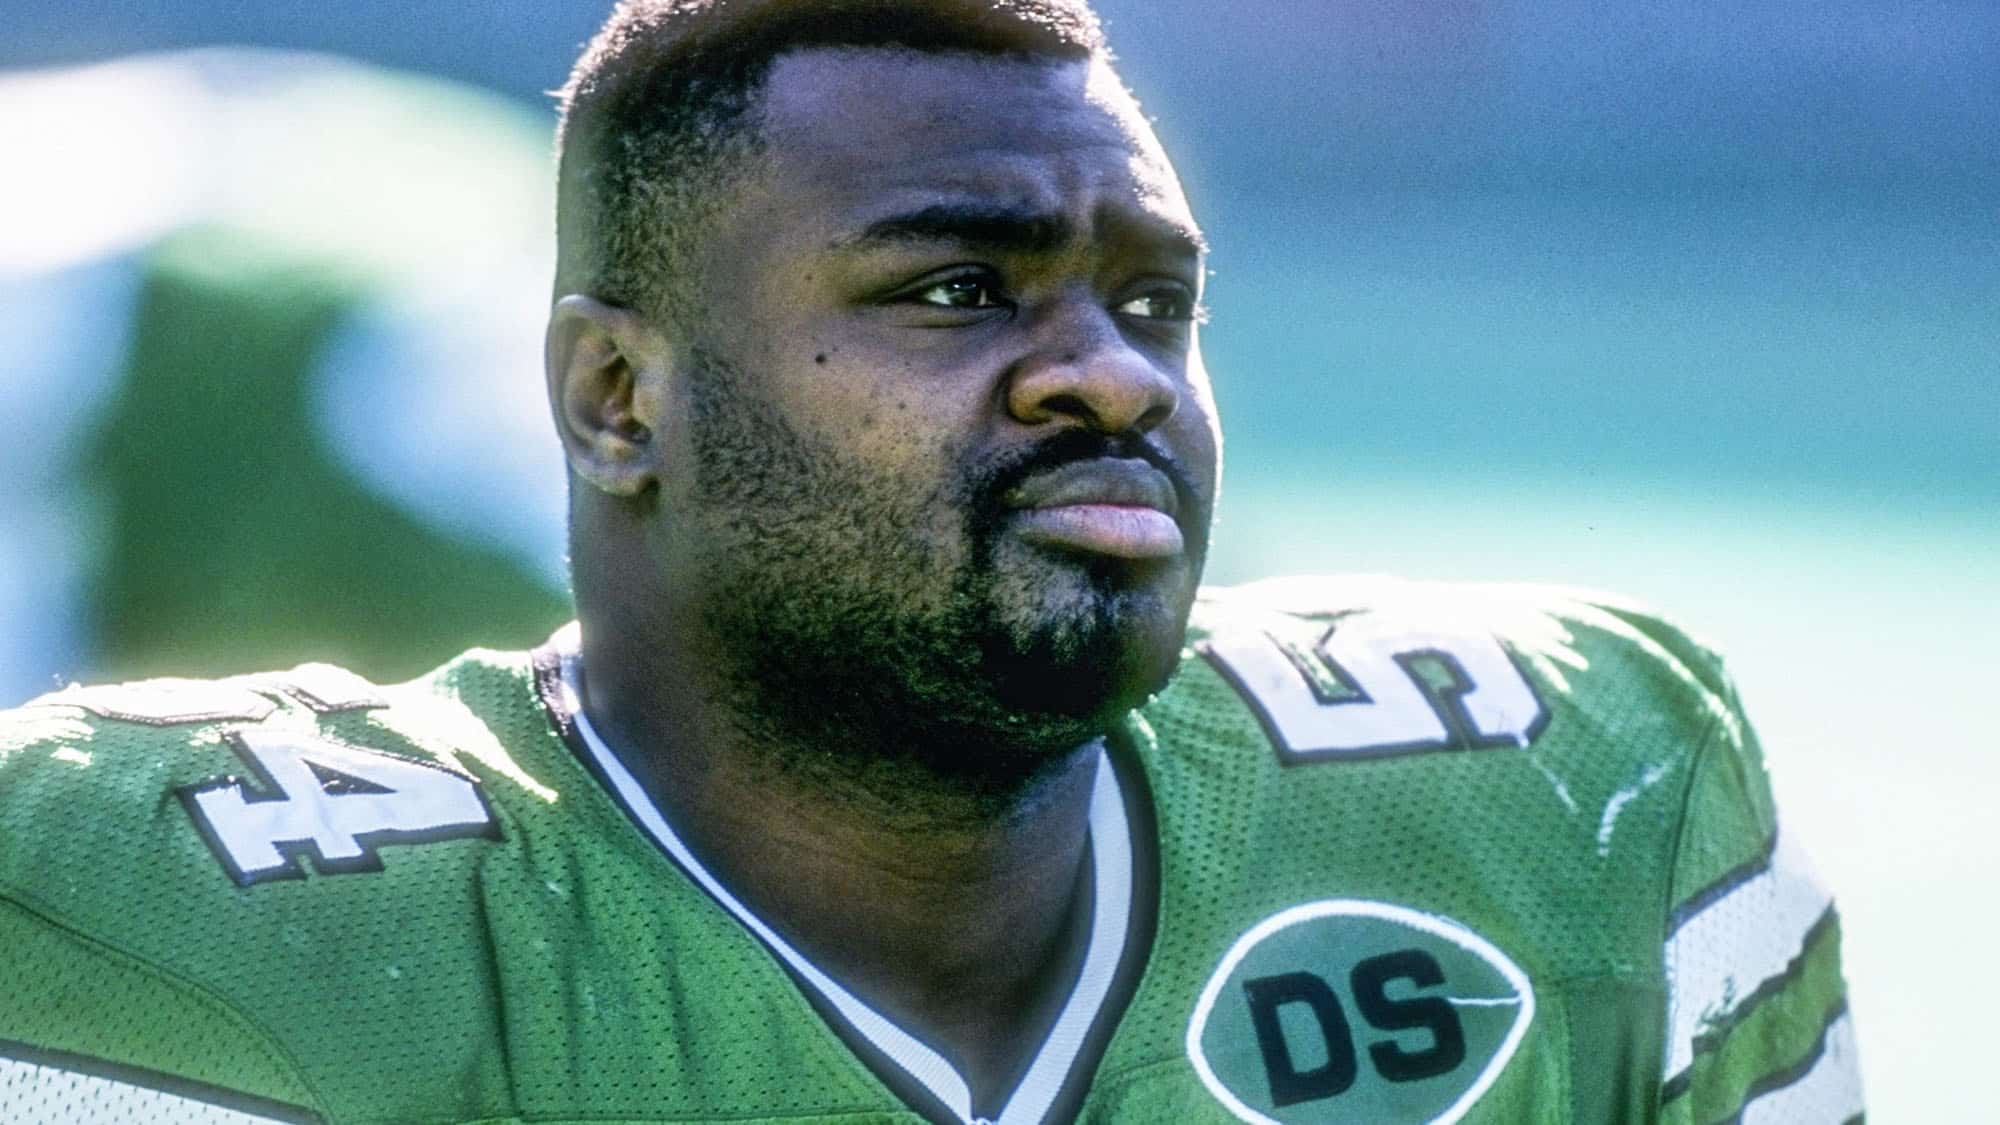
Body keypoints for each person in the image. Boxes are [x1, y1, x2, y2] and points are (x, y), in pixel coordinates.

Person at [0, 1, 1861, 1122]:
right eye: (956, 290)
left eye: (1156, 304)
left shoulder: (1574, 787)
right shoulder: (151, 901)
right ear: (617, 396)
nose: (1108, 374)